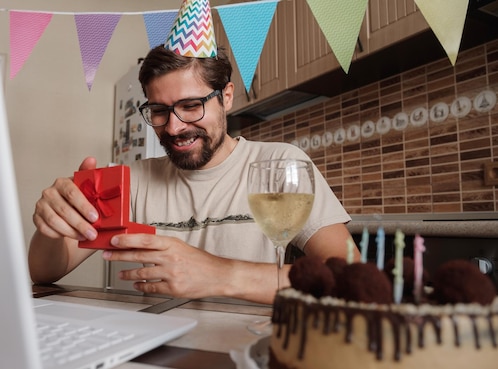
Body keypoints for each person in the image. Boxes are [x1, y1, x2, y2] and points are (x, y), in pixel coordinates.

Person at [29, 45, 357, 304]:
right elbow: (44, 272)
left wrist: (220, 274)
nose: (174, 127)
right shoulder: (132, 181)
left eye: (190, 106)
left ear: (226, 97)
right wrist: (52, 228)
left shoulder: (280, 165)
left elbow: (349, 278)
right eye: (159, 111)